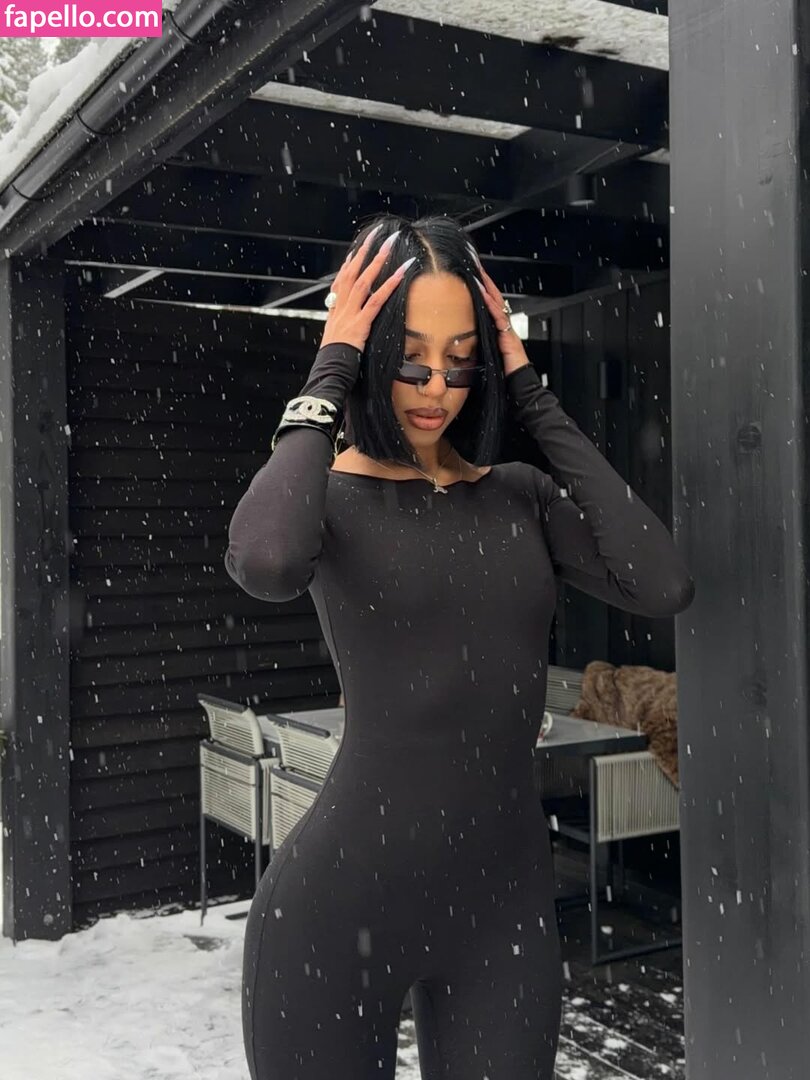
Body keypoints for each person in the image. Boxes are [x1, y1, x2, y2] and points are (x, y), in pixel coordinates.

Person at [225, 214, 695, 1080]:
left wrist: (531, 394)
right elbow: (266, 561)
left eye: (461, 359)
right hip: (336, 911)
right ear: (368, 353)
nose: (436, 386)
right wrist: (328, 369)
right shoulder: (329, 499)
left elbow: (661, 582)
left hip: (503, 914)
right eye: (409, 359)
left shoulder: (519, 497)